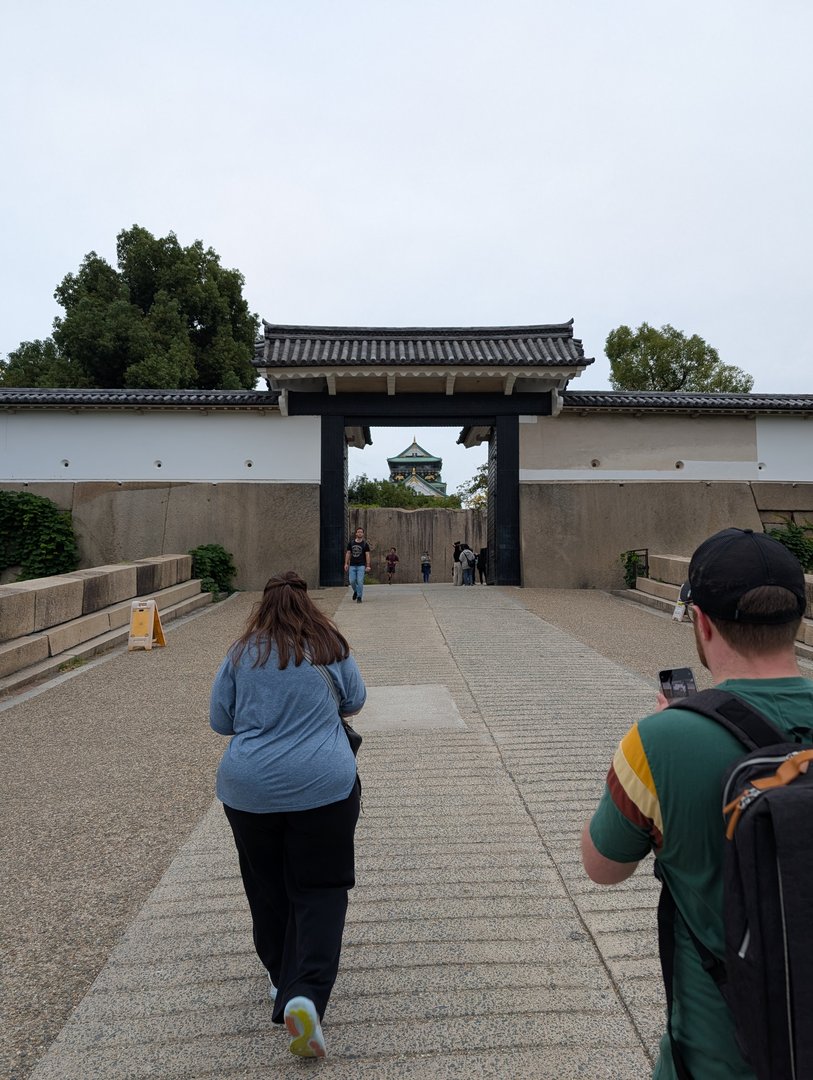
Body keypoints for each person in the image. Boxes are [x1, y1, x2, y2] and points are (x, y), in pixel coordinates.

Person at [581, 528, 813, 1079]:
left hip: (722, 1055)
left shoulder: (659, 742)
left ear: (701, 621)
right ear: (798, 620)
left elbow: (602, 867)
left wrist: (663, 734)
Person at [210, 571, 366, 1059]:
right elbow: (356, 701)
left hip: (249, 789)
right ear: (307, 604)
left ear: (264, 606)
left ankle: (281, 981)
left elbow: (221, 720)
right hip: (323, 785)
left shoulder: (241, 653)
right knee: (319, 888)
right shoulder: (329, 646)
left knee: (266, 884)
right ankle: (307, 995)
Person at [344, 526, 371, 603]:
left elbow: (367, 555)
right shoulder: (351, 543)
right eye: (358, 532)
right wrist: (346, 563)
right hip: (352, 565)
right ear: (356, 533)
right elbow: (348, 553)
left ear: (363, 534)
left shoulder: (365, 544)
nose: (359, 533)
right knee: (352, 581)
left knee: (360, 581)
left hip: (361, 565)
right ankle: (356, 591)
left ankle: (359, 597)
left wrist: (368, 565)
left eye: (361, 532)